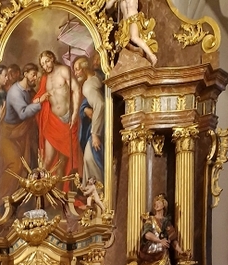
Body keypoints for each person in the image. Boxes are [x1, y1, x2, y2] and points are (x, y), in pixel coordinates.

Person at [0, 63, 43, 203]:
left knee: (25, 166)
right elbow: (23, 113)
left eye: (36, 75)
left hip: (21, 134)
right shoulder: (15, 92)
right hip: (9, 134)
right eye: (33, 75)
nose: (35, 78)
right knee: (15, 165)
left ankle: (15, 202)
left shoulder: (29, 91)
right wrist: (40, 102)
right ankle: (1, 201)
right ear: (25, 74)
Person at [34, 50, 81, 175]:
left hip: (67, 120)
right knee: (47, 160)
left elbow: (76, 89)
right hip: (52, 121)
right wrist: (40, 99)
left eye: (47, 61)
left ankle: (59, 188)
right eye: (43, 64)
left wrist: (75, 114)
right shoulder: (45, 78)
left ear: (52, 59)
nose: (46, 66)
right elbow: (38, 99)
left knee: (62, 163)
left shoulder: (63, 71)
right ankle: (40, 186)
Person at [73, 56, 104, 185]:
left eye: (77, 69)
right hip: (101, 124)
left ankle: (97, 190)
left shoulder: (88, 86)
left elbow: (100, 105)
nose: (75, 73)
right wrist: (84, 109)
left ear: (85, 69)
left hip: (98, 128)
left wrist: (95, 133)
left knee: (90, 158)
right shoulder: (98, 76)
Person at [105, 0, 157, 67]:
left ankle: (151, 55)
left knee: (134, 38)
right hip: (124, 23)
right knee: (119, 44)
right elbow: (107, 6)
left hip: (133, 19)